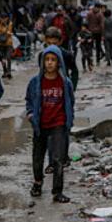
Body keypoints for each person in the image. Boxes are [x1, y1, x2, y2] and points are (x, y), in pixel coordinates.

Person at [26, 45, 75, 203]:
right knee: (38, 158)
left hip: (58, 124)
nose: (49, 63)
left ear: (59, 62)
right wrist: (30, 114)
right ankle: (38, 183)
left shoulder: (65, 82)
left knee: (58, 158)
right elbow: (29, 100)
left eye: (53, 60)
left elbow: (70, 102)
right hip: (40, 125)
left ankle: (57, 191)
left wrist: (68, 120)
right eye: (47, 60)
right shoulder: (35, 82)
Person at [40, 27, 79, 91]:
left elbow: (75, 71)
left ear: (60, 41)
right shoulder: (42, 55)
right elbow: (41, 73)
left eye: (55, 43)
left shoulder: (67, 55)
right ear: (45, 40)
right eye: (49, 43)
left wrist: (72, 88)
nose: (52, 46)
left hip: (64, 88)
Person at [0, 12, 13, 79]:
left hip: (8, 43)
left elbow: (10, 32)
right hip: (0, 43)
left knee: (8, 57)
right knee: (2, 58)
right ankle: (4, 71)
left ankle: (9, 72)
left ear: (7, 18)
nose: (4, 20)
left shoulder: (10, 23)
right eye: (2, 19)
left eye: (5, 19)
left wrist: (5, 33)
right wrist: (5, 32)